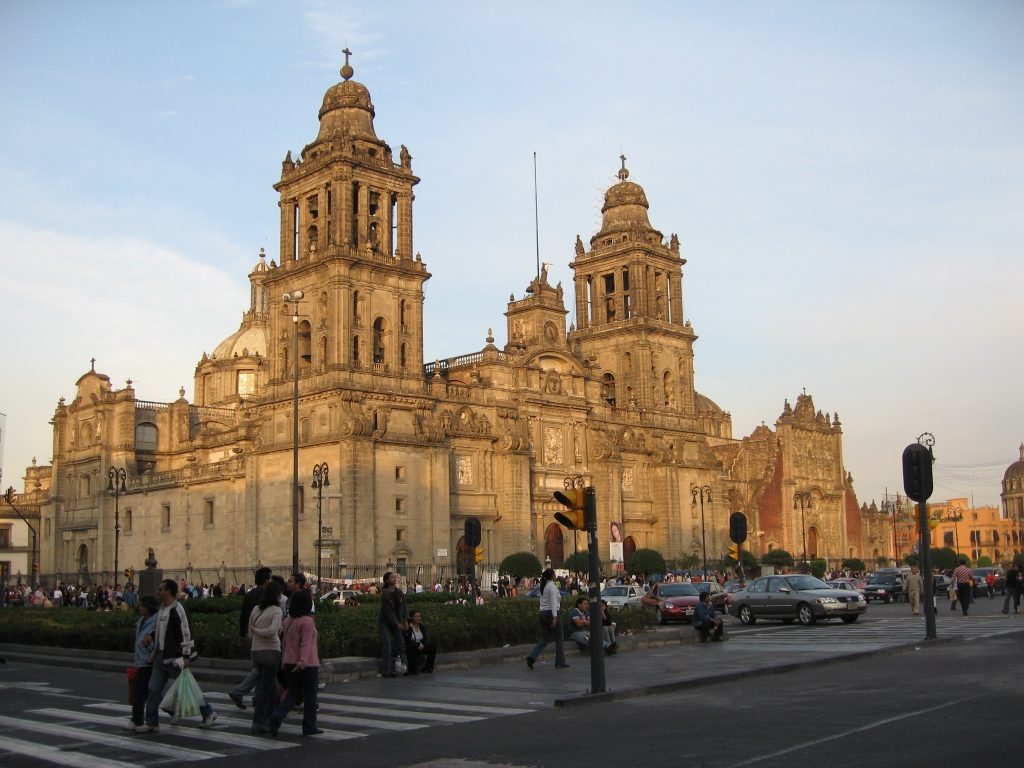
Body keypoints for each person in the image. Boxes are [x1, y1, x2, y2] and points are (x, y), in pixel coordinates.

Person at [137, 579, 218, 733]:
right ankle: (152, 721)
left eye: (161, 589)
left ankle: (208, 712)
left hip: (175, 658)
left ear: (168, 592)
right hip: (161, 656)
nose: (158, 592)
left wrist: (186, 656)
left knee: (188, 688)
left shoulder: (178, 609)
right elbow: (160, 629)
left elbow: (186, 633)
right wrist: (152, 636)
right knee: (153, 689)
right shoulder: (162, 609)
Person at [270, 589, 322, 737]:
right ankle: (309, 725)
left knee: (293, 692)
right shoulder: (307, 622)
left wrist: (284, 660)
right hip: (307, 664)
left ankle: (277, 716)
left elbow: (284, 642)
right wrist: (303, 661)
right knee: (311, 694)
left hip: (289, 662)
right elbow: (305, 644)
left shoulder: (288, 621)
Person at [228, 566, 272, 709]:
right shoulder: (265, 595)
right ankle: (239, 692)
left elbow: (244, 615)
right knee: (260, 668)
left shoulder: (249, 594)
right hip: (261, 635)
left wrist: (242, 633)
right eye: (269, 578)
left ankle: (256, 697)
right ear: (266, 580)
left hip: (249, 633)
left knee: (259, 667)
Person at [248, 580, 284, 735]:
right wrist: (259, 631)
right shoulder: (277, 610)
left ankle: (275, 717)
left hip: (256, 651)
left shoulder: (256, 609)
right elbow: (272, 631)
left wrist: (255, 632)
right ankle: (259, 722)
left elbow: (250, 632)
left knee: (272, 686)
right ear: (276, 595)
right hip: (271, 651)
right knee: (265, 688)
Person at [524, 568, 568, 670]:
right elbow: (553, 602)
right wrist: (555, 617)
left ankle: (532, 657)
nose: (555, 575)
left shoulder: (543, 586)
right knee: (559, 638)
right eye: (554, 574)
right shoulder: (552, 587)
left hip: (542, 613)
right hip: (552, 613)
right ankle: (560, 661)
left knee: (544, 638)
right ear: (552, 576)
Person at [127, 595, 159, 731]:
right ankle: (157, 718)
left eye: (142, 606)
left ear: (149, 608)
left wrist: (149, 647)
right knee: (148, 692)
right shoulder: (141, 620)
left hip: (148, 660)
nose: (139, 608)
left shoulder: (155, 621)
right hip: (140, 660)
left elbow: (156, 639)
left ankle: (137, 719)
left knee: (139, 691)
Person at [378, 572, 408, 677]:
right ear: (387, 580)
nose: (394, 579)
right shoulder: (385, 593)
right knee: (388, 645)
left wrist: (405, 621)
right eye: (392, 577)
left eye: (395, 577)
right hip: (385, 622)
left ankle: (404, 668)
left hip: (397, 623)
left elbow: (404, 608)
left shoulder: (399, 592)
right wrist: (396, 623)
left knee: (401, 644)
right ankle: (386, 671)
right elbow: (387, 611)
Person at [403, 609, 437, 674]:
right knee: (414, 646)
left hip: (421, 645)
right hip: (411, 646)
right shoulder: (408, 626)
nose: (418, 618)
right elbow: (407, 640)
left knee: (432, 646)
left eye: (419, 616)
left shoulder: (421, 626)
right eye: (416, 616)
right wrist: (409, 629)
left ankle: (428, 668)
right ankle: (413, 669)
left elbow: (425, 639)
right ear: (411, 617)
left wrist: (422, 644)